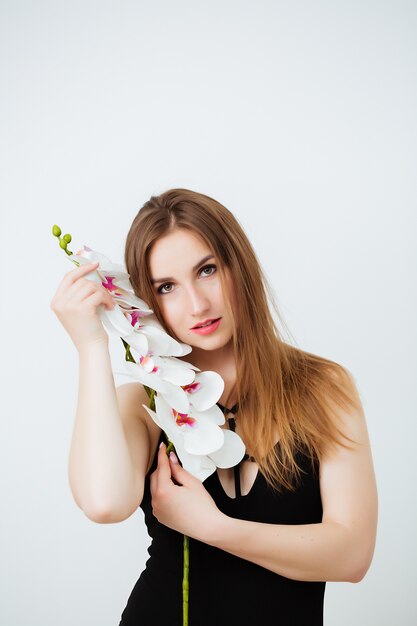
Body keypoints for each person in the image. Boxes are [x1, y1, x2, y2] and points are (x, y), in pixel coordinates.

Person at [50, 188, 378, 626]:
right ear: (148, 299)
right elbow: (104, 503)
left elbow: (351, 555)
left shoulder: (322, 388)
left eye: (207, 270)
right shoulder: (147, 400)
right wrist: (92, 346)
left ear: (238, 265)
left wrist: (214, 528)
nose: (197, 305)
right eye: (167, 287)